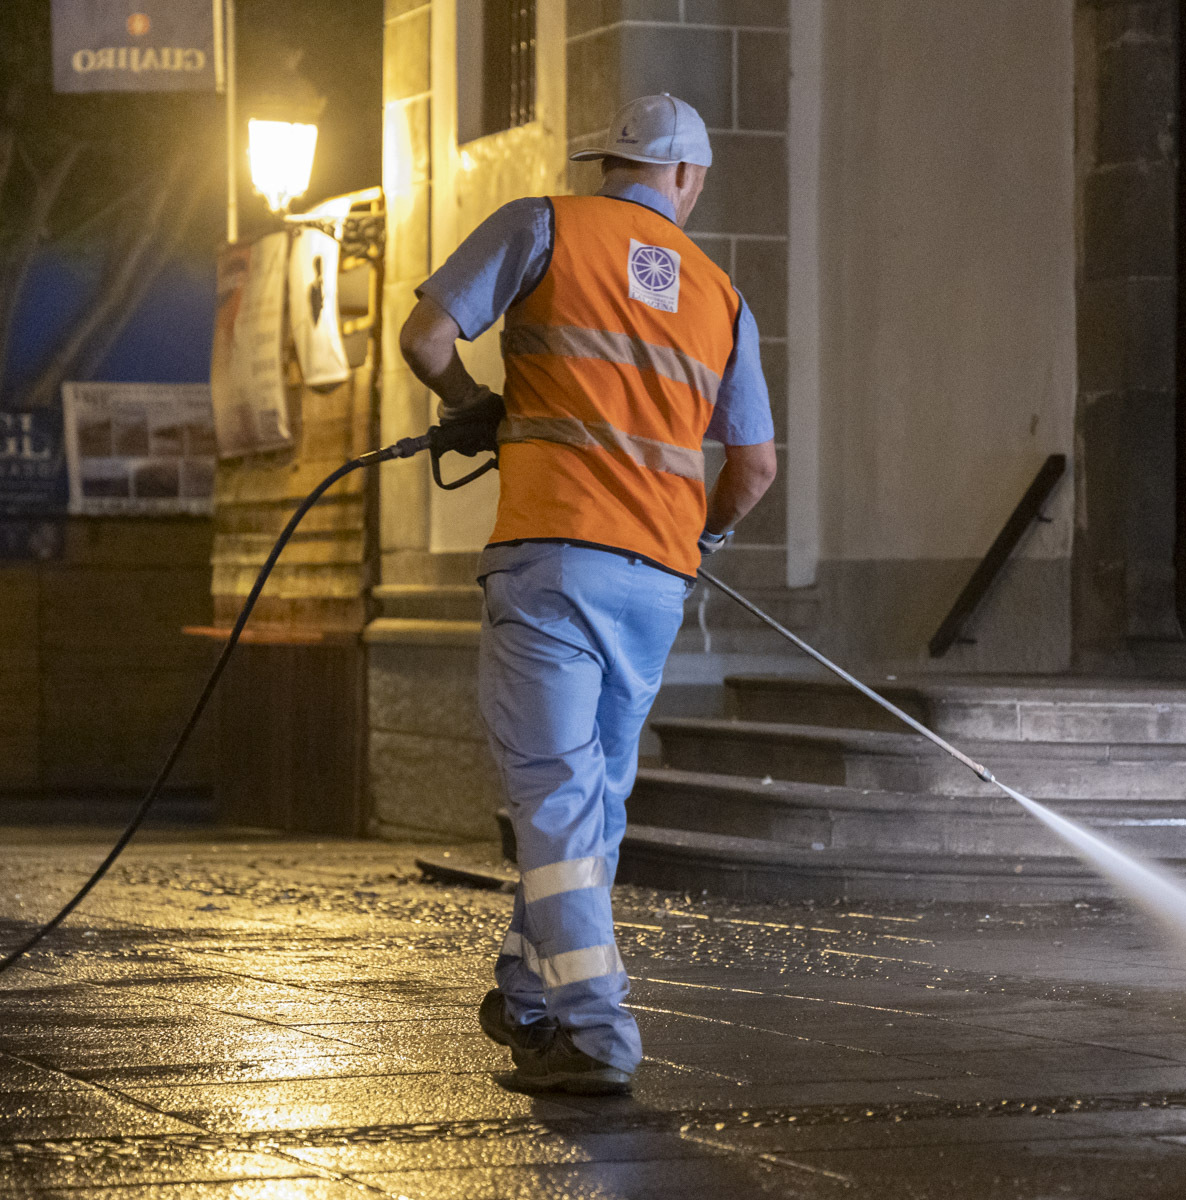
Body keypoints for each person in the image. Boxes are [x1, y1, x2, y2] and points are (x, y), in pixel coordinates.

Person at [398, 93, 777, 1095]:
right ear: (686, 179)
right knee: (592, 805)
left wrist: (472, 407)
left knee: (559, 805)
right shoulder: (720, 294)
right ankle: (528, 994)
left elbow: (426, 337)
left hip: (552, 566)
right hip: (655, 584)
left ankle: (597, 1030)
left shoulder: (542, 225)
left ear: (603, 162)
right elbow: (755, 467)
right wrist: (705, 535)